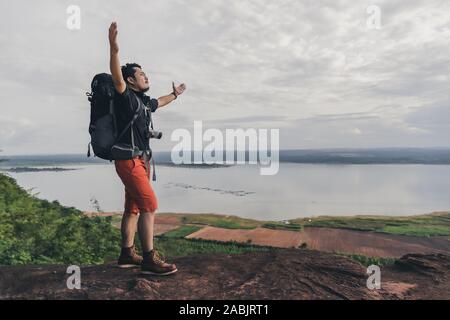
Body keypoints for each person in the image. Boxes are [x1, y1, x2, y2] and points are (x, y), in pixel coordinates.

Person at [108, 22, 186, 275]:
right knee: (150, 205)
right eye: (141, 74)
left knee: (133, 207)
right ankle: (150, 260)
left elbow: (159, 102)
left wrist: (174, 95)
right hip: (129, 160)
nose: (146, 76)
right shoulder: (126, 97)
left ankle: (127, 254)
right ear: (131, 80)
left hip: (139, 160)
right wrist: (114, 50)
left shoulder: (142, 102)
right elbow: (117, 77)